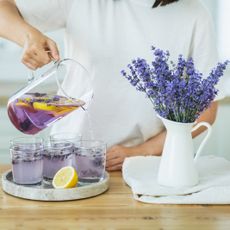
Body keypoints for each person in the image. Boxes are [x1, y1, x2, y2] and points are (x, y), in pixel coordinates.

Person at [0, 0, 219, 171]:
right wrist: (28, 36)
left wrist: (141, 152)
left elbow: (205, 111)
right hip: (67, 159)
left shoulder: (194, 14)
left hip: (148, 167)